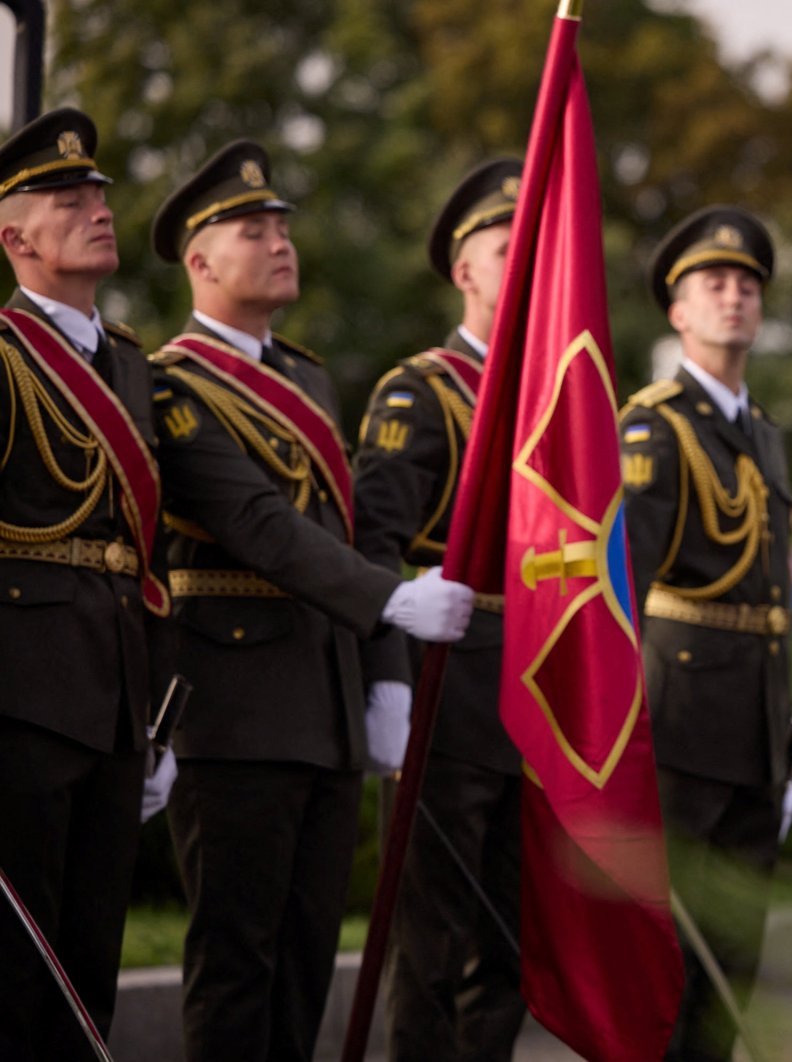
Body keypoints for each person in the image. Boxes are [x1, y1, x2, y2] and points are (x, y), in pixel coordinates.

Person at [146, 140, 474, 1062]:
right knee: (237, 963)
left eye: (283, 226)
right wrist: (393, 604)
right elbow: (255, 523)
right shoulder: (174, 384)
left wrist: (379, 680)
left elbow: (340, 532)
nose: (280, 242)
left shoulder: (303, 375)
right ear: (200, 262)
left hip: (321, 704)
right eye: (254, 230)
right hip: (237, 710)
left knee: (302, 962)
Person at [0, 107, 176, 1062]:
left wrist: (163, 719)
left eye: (100, 195)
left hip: (115, 708)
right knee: (16, 987)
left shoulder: (132, 366)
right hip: (21, 707)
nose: (97, 210)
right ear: (15, 238)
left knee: (87, 979)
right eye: (69, 201)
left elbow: (149, 559)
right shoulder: (3, 357)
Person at [352, 158, 527, 1061]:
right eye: (507, 249)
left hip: (536, 698)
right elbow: (375, 544)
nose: (525, 263)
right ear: (465, 271)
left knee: (511, 946)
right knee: (431, 943)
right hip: (448, 689)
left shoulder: (555, 400)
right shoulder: (418, 390)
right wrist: (390, 679)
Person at [619, 205, 792, 1062]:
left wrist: (782, 740)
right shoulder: (655, 424)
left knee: (737, 965)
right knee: (670, 971)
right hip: (680, 729)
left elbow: (770, 607)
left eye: (747, 284)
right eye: (713, 284)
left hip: (756, 736)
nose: (734, 297)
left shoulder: (762, 433)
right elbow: (624, 590)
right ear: (677, 310)